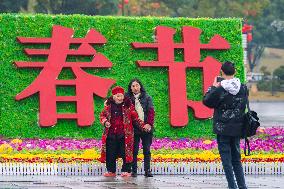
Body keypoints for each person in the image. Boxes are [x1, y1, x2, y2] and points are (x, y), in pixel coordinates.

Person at [203, 61, 247, 189]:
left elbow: (207, 101)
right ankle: (242, 186)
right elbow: (243, 106)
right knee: (236, 160)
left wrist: (213, 87)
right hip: (237, 128)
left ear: (222, 72)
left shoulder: (220, 88)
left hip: (223, 129)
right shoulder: (243, 87)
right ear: (235, 72)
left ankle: (232, 186)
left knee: (227, 161)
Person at [100, 86, 151, 177]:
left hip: (125, 134)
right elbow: (102, 116)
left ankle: (126, 171)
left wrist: (143, 126)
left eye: (121, 96)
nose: (120, 98)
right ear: (114, 97)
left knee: (126, 153)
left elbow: (135, 119)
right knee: (110, 153)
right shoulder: (108, 107)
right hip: (111, 134)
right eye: (118, 96)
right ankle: (111, 171)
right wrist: (105, 122)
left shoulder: (129, 107)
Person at [125, 79, 155, 177]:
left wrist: (149, 124)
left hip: (146, 128)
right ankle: (134, 171)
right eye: (133, 86)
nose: (135, 88)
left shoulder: (147, 97)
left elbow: (151, 112)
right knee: (134, 150)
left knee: (146, 150)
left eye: (137, 85)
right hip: (133, 128)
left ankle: (147, 170)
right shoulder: (127, 98)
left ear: (140, 86)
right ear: (130, 88)